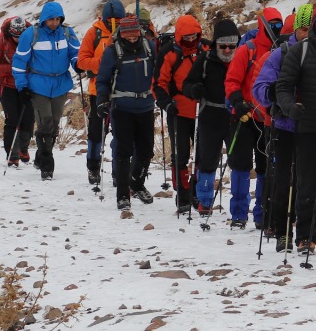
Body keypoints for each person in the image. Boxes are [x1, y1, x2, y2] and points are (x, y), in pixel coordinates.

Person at [275, 0, 316, 258]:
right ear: (314, 23)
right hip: (309, 127)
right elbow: (283, 86)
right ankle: (304, 235)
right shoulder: (300, 51)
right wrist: (290, 108)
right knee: (306, 184)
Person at [254, 5, 308, 251]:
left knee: (306, 180)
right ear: (296, 29)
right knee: (282, 177)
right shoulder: (281, 53)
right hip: (284, 125)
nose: (307, 34)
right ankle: (279, 228)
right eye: (303, 28)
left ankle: (306, 231)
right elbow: (260, 87)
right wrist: (272, 94)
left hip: (312, 127)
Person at [224, 7, 282, 229]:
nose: (276, 29)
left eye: (279, 24)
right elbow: (232, 80)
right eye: (273, 25)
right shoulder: (247, 50)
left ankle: (262, 214)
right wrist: (238, 102)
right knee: (240, 165)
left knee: (266, 166)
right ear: (263, 26)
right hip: (244, 116)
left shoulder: (281, 51)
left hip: (267, 118)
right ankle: (238, 213)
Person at [12, 1, 80, 180]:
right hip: (38, 84)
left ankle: (39, 156)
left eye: (58, 19)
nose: (54, 22)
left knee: (55, 125)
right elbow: (19, 62)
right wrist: (22, 86)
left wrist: (78, 64)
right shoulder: (31, 35)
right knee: (45, 123)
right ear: (44, 19)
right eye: (51, 19)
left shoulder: (67, 33)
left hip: (60, 83)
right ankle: (47, 165)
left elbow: (75, 53)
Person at [96, 13, 157, 212]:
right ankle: (123, 196)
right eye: (128, 35)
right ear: (121, 34)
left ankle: (137, 184)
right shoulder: (113, 52)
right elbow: (103, 80)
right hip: (121, 108)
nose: (132, 39)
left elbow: (162, 67)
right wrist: (102, 100)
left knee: (146, 150)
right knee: (123, 152)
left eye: (135, 35)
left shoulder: (150, 48)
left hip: (146, 106)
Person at [182, 17, 239, 223]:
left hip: (235, 117)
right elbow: (187, 84)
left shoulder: (241, 59)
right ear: (215, 44)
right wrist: (194, 90)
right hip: (210, 116)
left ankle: (238, 208)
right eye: (222, 45)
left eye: (232, 45)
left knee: (237, 162)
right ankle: (204, 201)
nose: (227, 50)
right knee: (207, 161)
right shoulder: (205, 60)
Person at [157, 14, 204, 212]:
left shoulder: (206, 49)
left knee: (202, 155)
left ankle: (198, 192)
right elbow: (158, 84)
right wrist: (167, 104)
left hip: (202, 110)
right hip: (178, 109)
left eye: (194, 36)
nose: (191, 40)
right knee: (181, 154)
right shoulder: (169, 53)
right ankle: (183, 194)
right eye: (187, 37)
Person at [77, 0, 124, 187]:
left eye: (119, 21)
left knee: (121, 134)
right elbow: (81, 61)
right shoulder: (94, 32)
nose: (115, 25)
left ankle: (117, 171)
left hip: (122, 90)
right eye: (112, 21)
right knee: (97, 132)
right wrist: (104, 64)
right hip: (99, 90)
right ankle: (93, 166)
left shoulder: (128, 31)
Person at [0, 16, 34, 167]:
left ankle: (23, 148)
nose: (18, 39)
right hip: (7, 86)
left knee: (28, 120)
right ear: (10, 33)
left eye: (21, 36)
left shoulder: (32, 41)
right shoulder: (1, 42)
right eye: (15, 36)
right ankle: (12, 154)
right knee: (12, 120)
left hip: (27, 87)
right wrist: (14, 69)